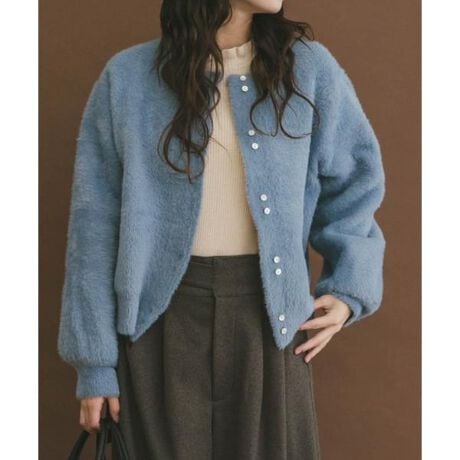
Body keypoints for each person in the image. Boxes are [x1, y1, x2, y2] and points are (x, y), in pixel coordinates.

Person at [57, 0, 386, 458]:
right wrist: (94, 364)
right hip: (158, 324)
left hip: (270, 319)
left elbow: (356, 183)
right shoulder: (127, 79)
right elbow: (93, 229)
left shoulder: (309, 70)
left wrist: (350, 288)